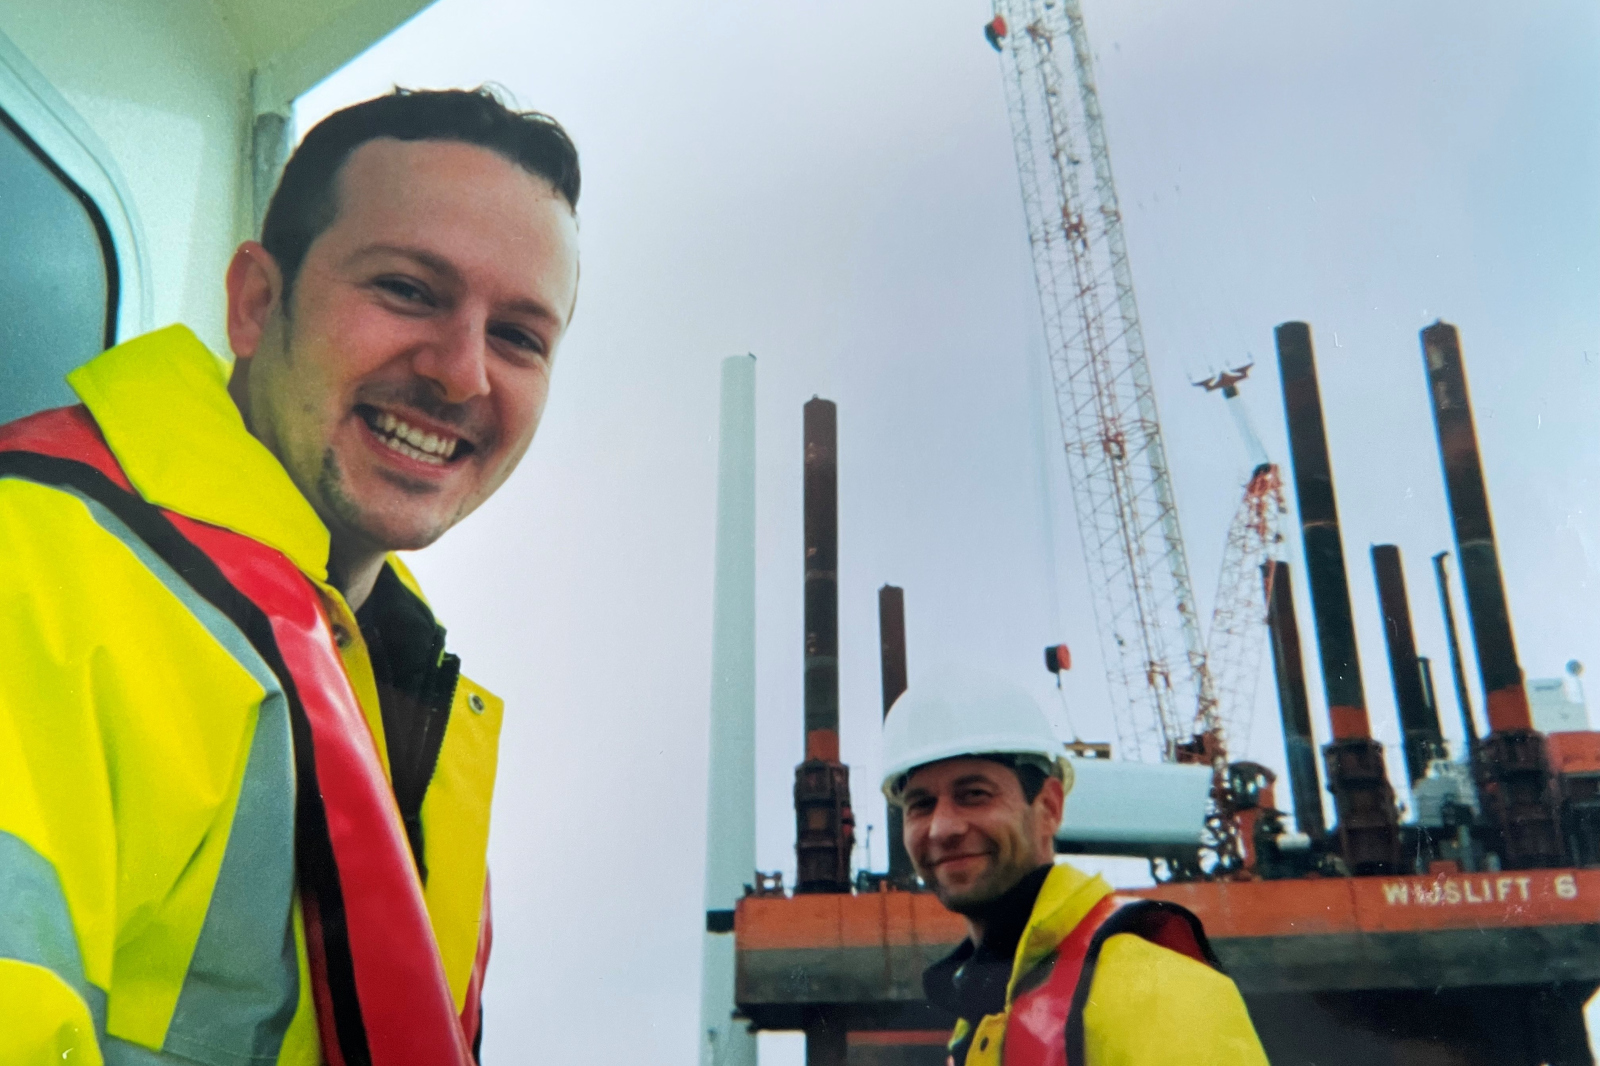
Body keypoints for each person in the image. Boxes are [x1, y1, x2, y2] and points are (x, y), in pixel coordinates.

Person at [0, 88, 581, 1065]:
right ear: (257, 303)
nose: (462, 372)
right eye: (407, 289)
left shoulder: (409, 705)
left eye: (520, 335)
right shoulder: (34, 560)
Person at [881, 669, 1268, 1066]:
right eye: (921, 804)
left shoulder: (1148, 984)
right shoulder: (981, 1015)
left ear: (1049, 807)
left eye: (974, 794)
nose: (943, 828)